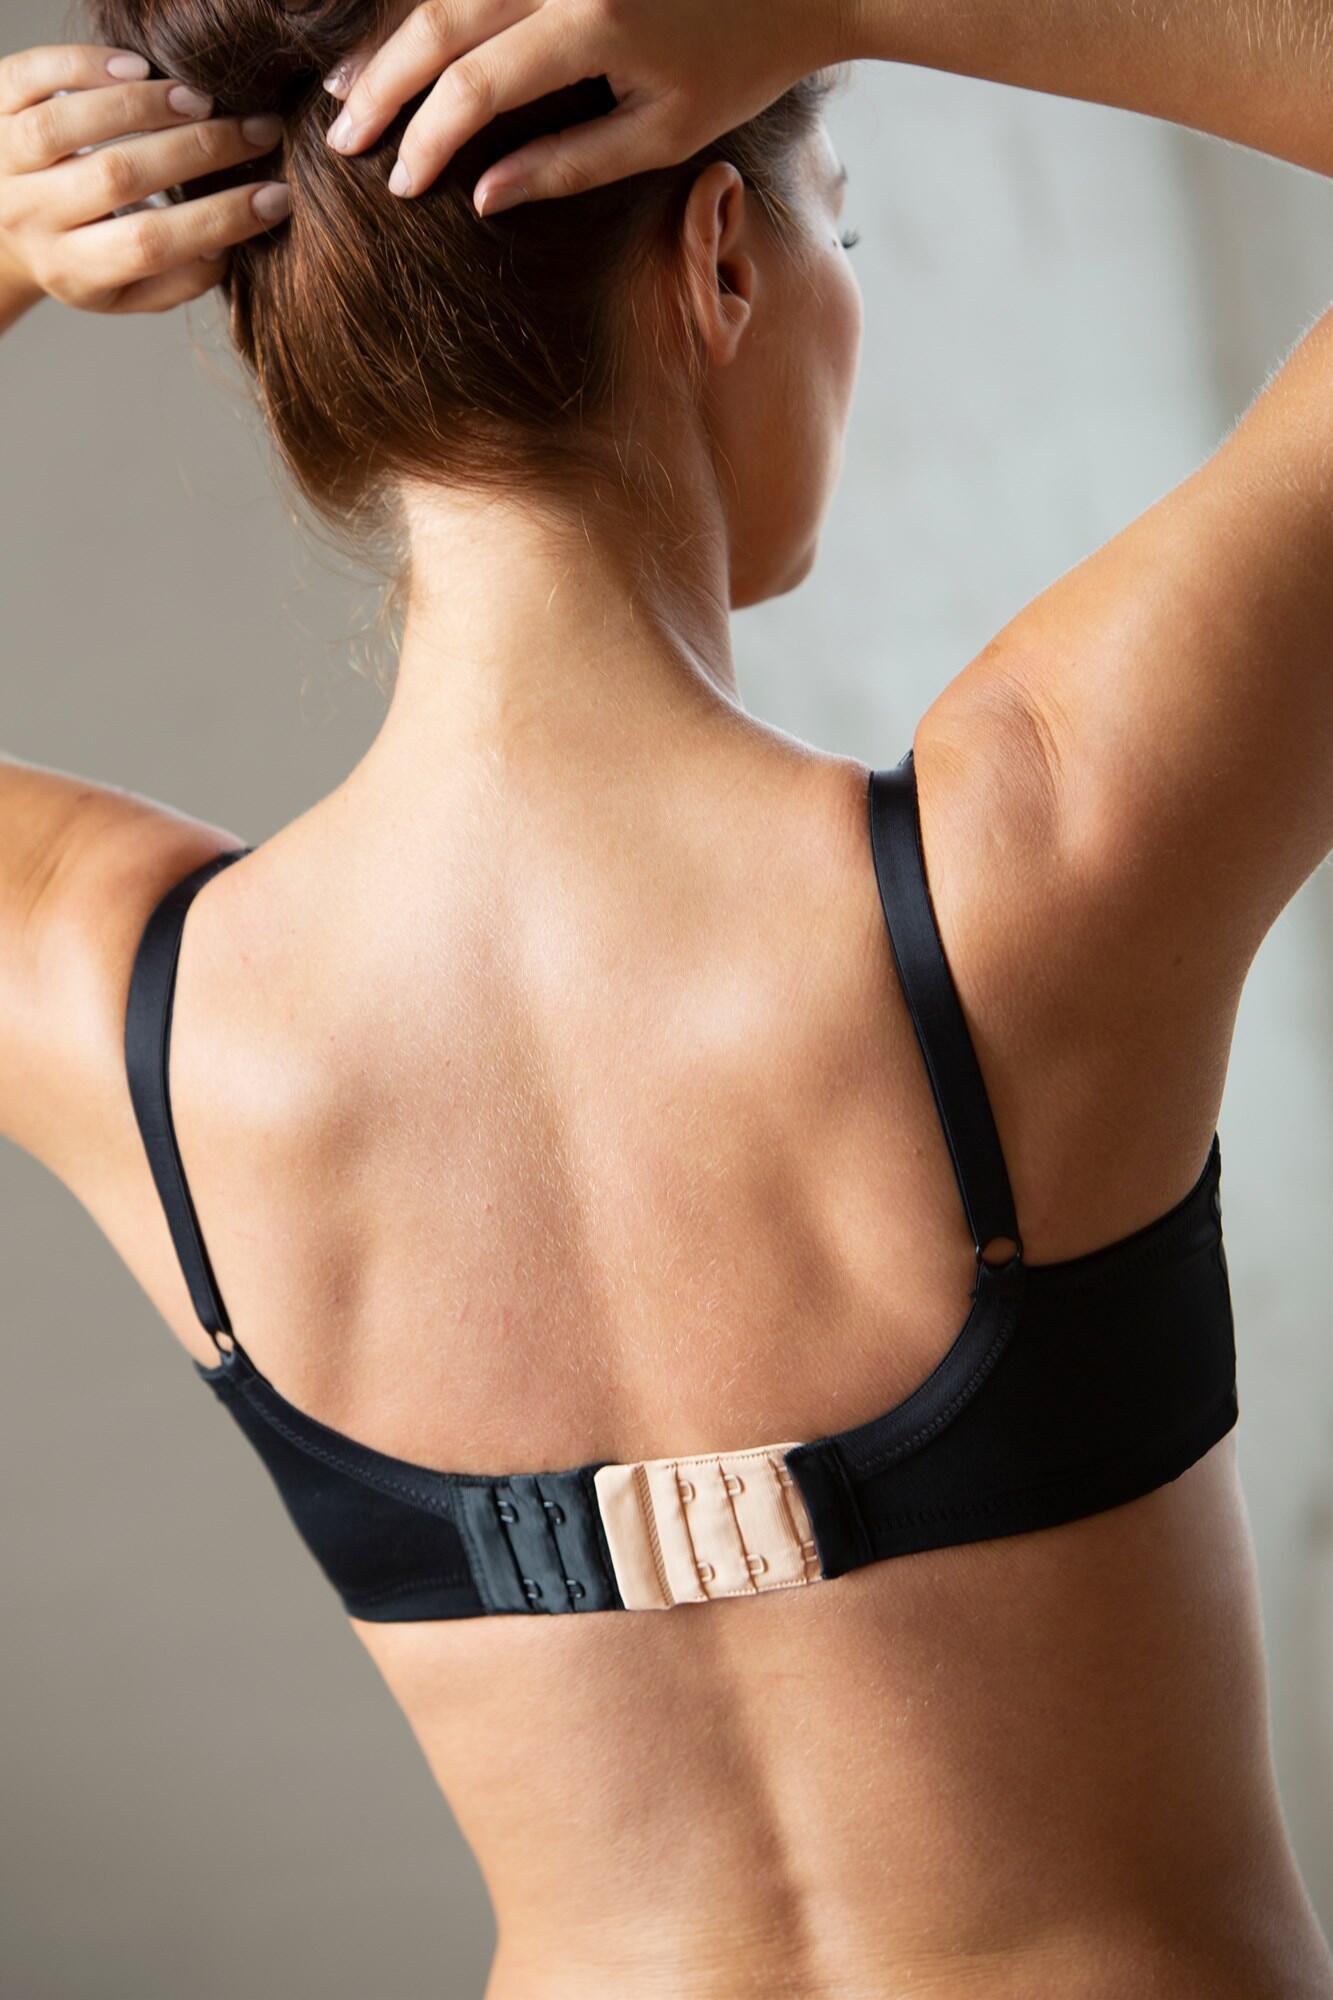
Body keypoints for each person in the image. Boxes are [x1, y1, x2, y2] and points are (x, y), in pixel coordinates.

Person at [1, 1, 1330, 1994]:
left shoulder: (148, 1028)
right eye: (835, 230)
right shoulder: (1042, 864)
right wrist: (841, 1)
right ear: (719, 258)